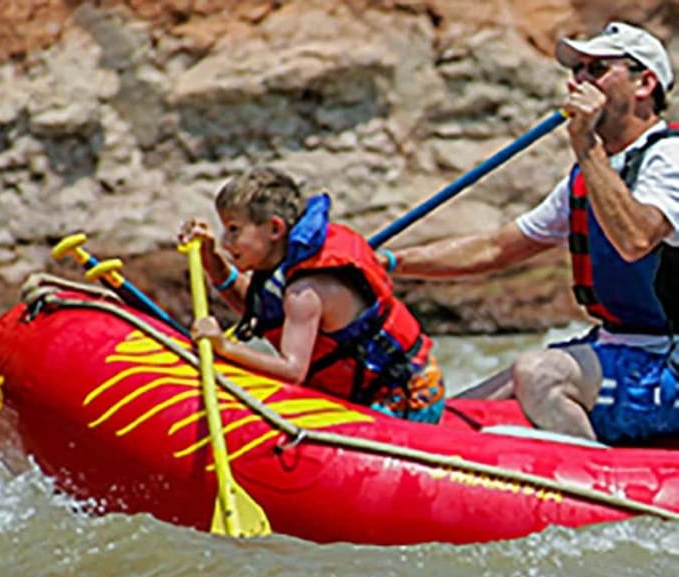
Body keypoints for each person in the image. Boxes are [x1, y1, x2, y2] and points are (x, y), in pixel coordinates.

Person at [385, 22, 679, 445]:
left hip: (666, 366)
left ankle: (599, 492)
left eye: (595, 70)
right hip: (622, 352)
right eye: (577, 70)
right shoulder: (590, 175)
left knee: (540, 372)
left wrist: (585, 145)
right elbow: (496, 248)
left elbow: (636, 240)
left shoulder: (668, 159)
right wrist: (389, 263)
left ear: (644, 83)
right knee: (455, 413)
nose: (577, 81)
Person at [178, 166, 446, 423]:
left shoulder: (304, 293)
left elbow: (292, 371)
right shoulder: (284, 271)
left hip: (409, 397)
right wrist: (210, 259)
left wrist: (224, 347)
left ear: (274, 229)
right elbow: (258, 311)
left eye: (234, 229)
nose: (226, 241)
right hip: (369, 388)